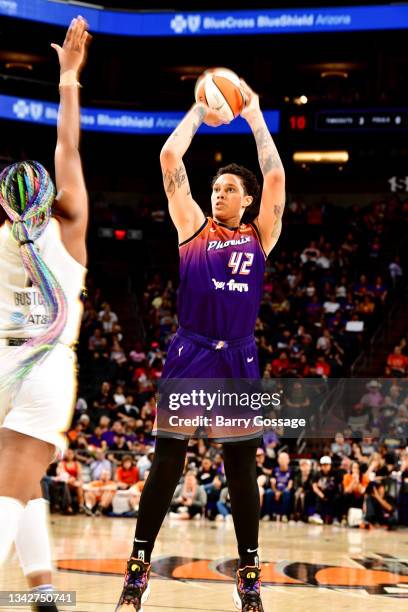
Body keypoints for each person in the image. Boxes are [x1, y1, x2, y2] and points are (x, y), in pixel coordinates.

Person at [117, 78, 285, 612]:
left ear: (249, 199)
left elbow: (277, 173)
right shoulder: (193, 228)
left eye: (230, 189)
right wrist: (197, 111)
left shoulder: (261, 236)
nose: (219, 194)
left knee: (241, 468)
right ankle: (137, 572)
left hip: (238, 354)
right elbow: (170, 155)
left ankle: (250, 576)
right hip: (191, 352)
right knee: (168, 462)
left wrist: (254, 114)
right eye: (216, 188)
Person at [0, 17, 90, 611]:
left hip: (7, 365)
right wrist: (67, 78)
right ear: (49, 198)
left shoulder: (3, 241)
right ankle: (41, 589)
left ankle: (42, 588)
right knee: (15, 481)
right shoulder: (71, 227)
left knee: (15, 482)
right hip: (46, 369)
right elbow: (68, 148)